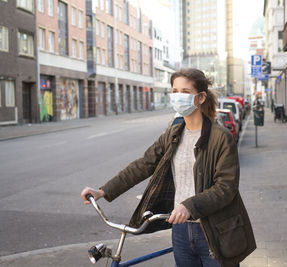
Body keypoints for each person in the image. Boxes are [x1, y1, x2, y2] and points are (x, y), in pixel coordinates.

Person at [81, 68, 256, 267]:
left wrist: (189, 205)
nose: (178, 96)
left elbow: (226, 188)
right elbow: (143, 164)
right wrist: (103, 191)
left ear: (200, 98)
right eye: (174, 91)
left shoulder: (220, 137)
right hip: (180, 231)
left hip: (214, 230)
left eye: (185, 92)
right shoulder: (173, 134)